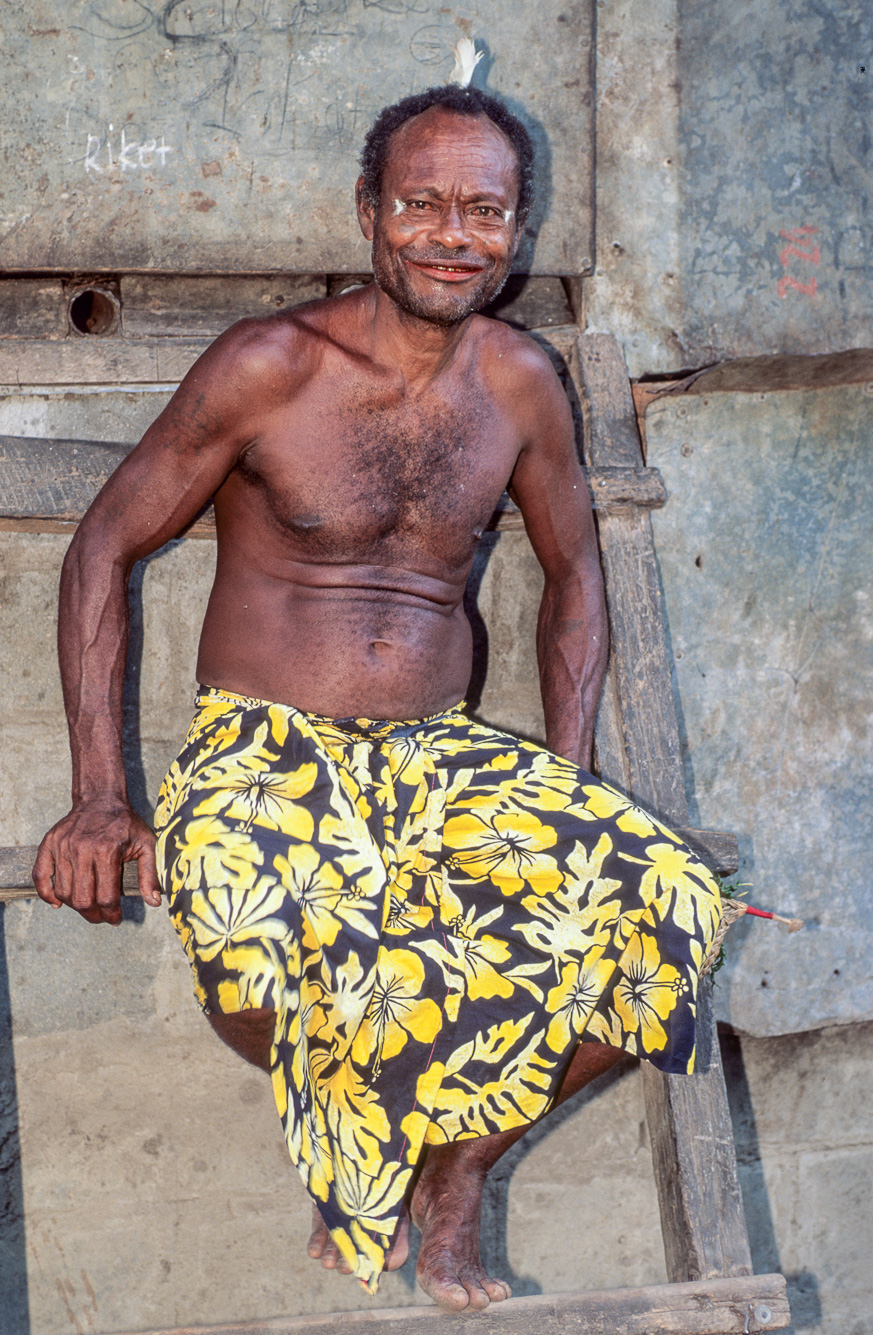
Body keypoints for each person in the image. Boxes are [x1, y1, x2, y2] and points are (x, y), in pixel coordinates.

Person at [33, 84, 722, 1312]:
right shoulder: (268, 364)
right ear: (368, 212)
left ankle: (453, 1170)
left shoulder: (520, 382)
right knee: (257, 970)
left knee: (671, 909)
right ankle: (356, 1135)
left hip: (441, 756)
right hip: (264, 751)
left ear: (520, 228)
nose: (454, 235)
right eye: (422, 204)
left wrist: (567, 778)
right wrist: (98, 795)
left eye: (485, 211)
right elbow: (104, 550)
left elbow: (575, 580)